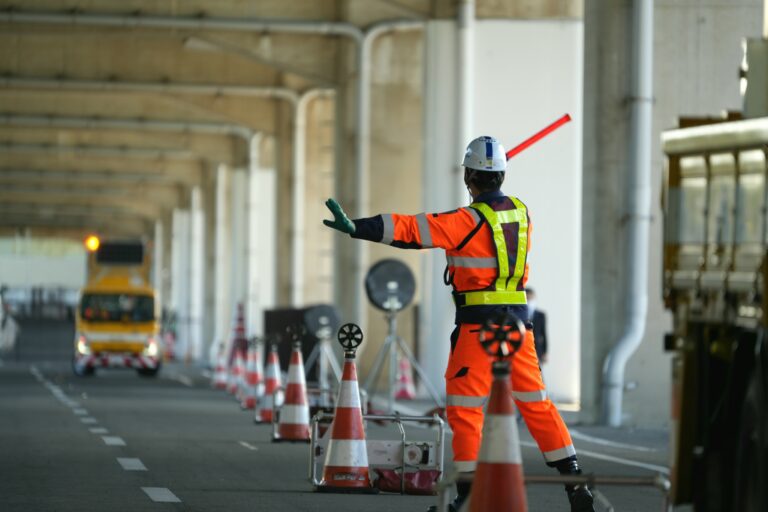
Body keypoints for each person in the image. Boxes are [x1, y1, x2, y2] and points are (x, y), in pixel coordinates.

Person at [322, 135, 594, 511]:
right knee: (537, 404)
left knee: (465, 408)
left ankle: (466, 497)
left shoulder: (465, 221)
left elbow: (410, 230)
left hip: (478, 327)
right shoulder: (521, 213)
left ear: (469, 177)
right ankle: (575, 483)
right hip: (518, 326)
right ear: (501, 175)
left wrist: (357, 227)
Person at [526, 287, 548, 363]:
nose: (529, 301)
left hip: (537, 350)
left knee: (539, 372)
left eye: (531, 298)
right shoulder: (521, 315)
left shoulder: (541, 315)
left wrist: (545, 352)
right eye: (527, 298)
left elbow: (544, 334)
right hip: (525, 348)